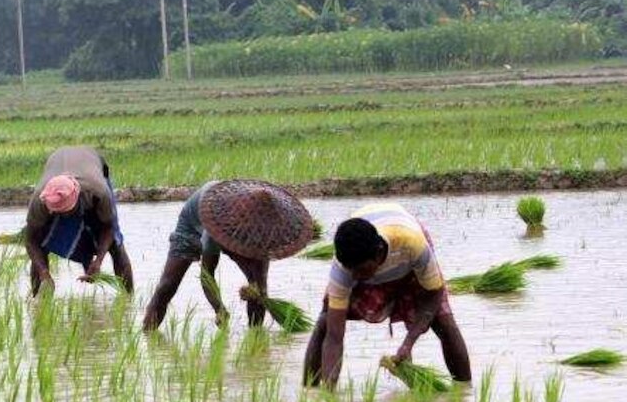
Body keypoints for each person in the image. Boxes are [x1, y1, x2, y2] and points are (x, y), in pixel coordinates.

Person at [303, 203, 472, 388]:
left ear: (378, 254)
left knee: (444, 322)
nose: (355, 277)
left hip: (406, 253)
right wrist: (328, 399)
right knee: (325, 322)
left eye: (360, 270)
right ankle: (310, 390)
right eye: (350, 271)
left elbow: (434, 293)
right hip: (368, 245)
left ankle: (465, 391)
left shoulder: (412, 244)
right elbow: (334, 337)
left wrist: (408, 344)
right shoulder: (344, 268)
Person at [143, 179, 314, 331]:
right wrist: (219, 308)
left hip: (241, 229)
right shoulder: (218, 224)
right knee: (167, 285)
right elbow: (206, 275)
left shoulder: (264, 234)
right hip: (192, 225)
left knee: (258, 289)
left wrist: (255, 290)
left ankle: (255, 336)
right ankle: (147, 333)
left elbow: (260, 287)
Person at [24, 146, 134, 296]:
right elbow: (31, 240)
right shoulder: (40, 200)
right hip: (57, 160)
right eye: (59, 212)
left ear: (77, 197)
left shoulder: (98, 192)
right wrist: (44, 274)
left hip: (92, 163)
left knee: (116, 245)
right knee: (41, 247)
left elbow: (109, 228)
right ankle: (37, 298)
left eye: (68, 210)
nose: (65, 216)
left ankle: (128, 300)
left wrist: (98, 261)